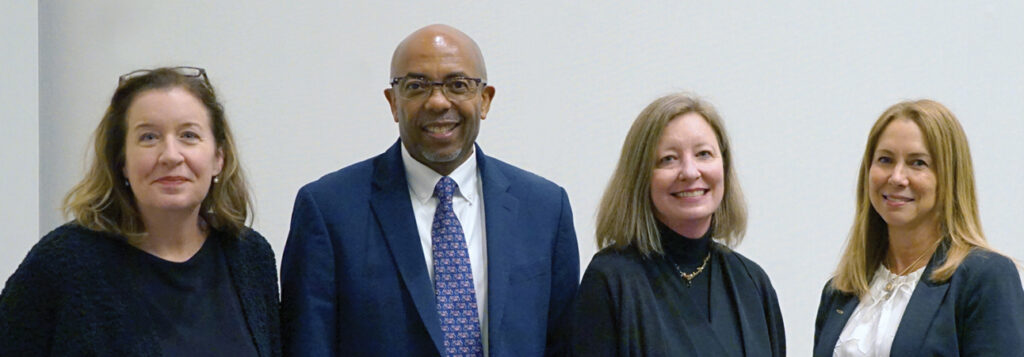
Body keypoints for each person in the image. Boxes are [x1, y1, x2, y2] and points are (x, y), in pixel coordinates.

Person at [280, 24, 580, 356]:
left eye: (458, 85)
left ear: (485, 99)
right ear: (393, 102)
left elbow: (565, 343)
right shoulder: (328, 210)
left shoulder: (545, 209)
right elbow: (309, 345)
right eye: (417, 86)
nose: (438, 102)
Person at [0, 67, 280, 356]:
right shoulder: (64, 263)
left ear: (218, 159)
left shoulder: (250, 257)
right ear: (122, 161)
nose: (171, 155)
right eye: (149, 137)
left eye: (188, 135)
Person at [568, 93, 785, 356]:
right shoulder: (611, 281)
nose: (691, 172)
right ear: (640, 177)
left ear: (724, 167)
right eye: (668, 159)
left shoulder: (751, 282)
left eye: (704, 154)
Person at [813, 99, 1024, 356]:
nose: (897, 177)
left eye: (918, 163)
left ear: (950, 177)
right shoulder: (841, 291)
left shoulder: (984, 278)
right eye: (885, 160)